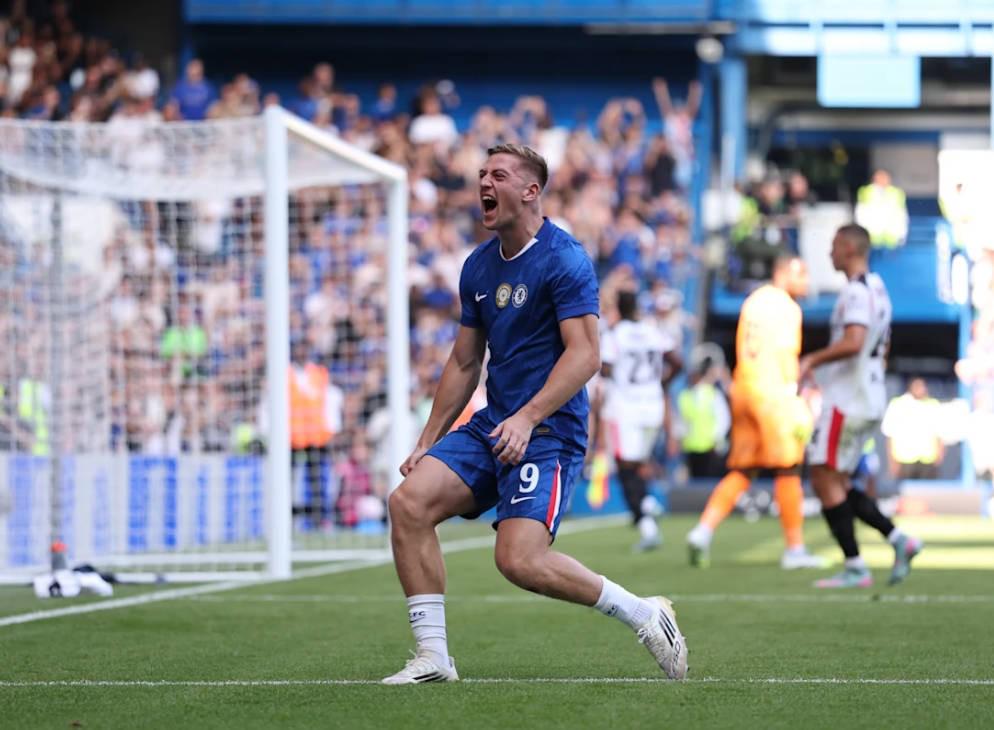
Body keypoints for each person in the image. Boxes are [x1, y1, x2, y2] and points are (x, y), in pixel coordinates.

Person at [382, 144, 687, 685]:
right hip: (495, 424)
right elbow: (464, 361)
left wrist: (526, 417)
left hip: (548, 430)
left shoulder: (564, 258)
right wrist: (428, 439)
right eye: (482, 174)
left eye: (498, 175)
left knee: (518, 561)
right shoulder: (477, 266)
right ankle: (433, 657)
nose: (484, 182)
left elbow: (585, 356)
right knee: (407, 504)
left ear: (530, 190)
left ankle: (644, 613)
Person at [799, 224, 923, 588]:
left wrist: (812, 360)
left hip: (847, 399)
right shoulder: (878, 288)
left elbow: (854, 341)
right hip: (868, 393)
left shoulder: (855, 292)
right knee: (837, 480)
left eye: (834, 246)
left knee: (822, 477)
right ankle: (898, 539)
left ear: (850, 248)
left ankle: (855, 565)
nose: (830, 253)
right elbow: (880, 348)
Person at [687, 255, 824, 570]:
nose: (806, 281)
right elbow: (785, 354)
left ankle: (702, 531)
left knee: (744, 469)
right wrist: (793, 395)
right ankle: (795, 550)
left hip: (744, 388)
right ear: (784, 272)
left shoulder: (754, 301)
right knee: (788, 467)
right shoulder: (786, 306)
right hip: (772, 393)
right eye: (801, 273)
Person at [595, 288, 682, 551]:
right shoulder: (652, 331)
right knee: (639, 463)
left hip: (626, 407)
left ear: (618, 308)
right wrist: (661, 383)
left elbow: (605, 368)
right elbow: (677, 362)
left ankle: (646, 522)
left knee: (625, 466)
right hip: (653, 406)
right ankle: (648, 503)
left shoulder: (615, 335)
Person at [881, 377, 944, 480]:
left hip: (927, 460)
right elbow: (890, 435)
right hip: (905, 460)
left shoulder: (932, 404)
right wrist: (892, 462)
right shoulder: (898, 404)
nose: (920, 389)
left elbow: (939, 434)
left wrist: (940, 453)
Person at [855, 169, 908, 249]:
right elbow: (860, 214)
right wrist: (862, 233)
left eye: (885, 177)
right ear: (874, 178)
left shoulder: (897, 193)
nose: (883, 180)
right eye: (880, 177)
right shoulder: (865, 191)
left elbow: (901, 215)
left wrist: (902, 234)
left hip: (892, 236)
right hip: (872, 235)